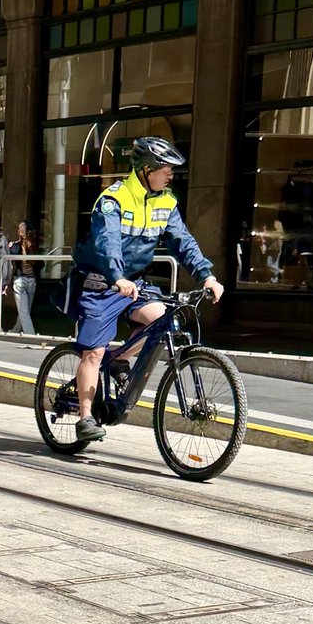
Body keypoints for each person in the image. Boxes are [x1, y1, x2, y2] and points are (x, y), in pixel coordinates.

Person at [70, 136, 223, 443]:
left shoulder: (165, 201)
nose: (170, 175)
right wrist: (116, 276)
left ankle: (120, 358)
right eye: (165, 169)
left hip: (133, 283)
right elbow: (107, 242)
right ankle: (85, 416)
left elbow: (183, 241)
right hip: (101, 282)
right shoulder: (114, 199)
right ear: (146, 169)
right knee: (93, 352)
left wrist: (206, 275)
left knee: (161, 318)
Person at [7, 220, 38, 334]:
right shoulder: (34, 245)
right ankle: (16, 330)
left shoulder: (16, 246)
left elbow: (11, 256)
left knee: (23, 311)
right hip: (32, 280)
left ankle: (31, 335)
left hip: (20, 280)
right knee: (25, 310)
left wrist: (10, 247)